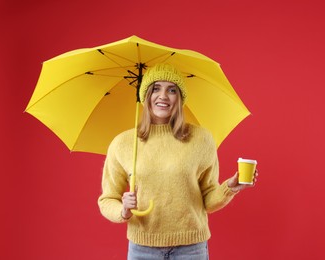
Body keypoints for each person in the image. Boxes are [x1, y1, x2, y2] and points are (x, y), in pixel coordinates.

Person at [98, 63, 258, 259]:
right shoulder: (123, 143)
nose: (163, 96)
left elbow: (208, 199)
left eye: (172, 90)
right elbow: (107, 200)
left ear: (180, 98)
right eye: (155, 88)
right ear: (145, 95)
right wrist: (123, 210)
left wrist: (230, 187)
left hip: (191, 250)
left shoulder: (202, 139)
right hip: (142, 250)